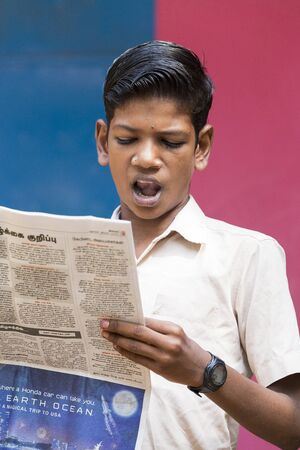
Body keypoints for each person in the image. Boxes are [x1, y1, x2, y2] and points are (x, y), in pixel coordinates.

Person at [95, 41, 300, 449]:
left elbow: (295, 427)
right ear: (103, 142)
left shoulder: (247, 256)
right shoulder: (69, 255)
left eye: (170, 142)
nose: (147, 158)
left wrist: (204, 371)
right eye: (127, 139)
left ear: (201, 147)